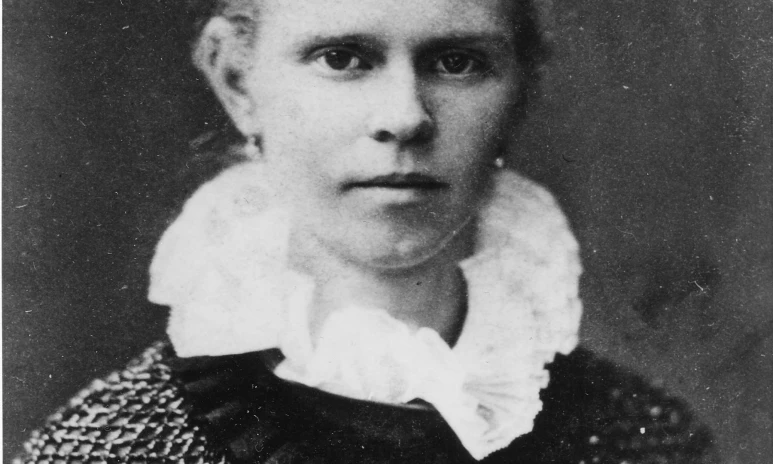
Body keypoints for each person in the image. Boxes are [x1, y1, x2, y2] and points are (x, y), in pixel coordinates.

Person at [17, 0, 715, 463]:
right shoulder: (108, 448)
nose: (404, 116)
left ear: (520, 88)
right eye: (342, 57)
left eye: (457, 61)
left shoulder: (643, 441)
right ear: (237, 82)